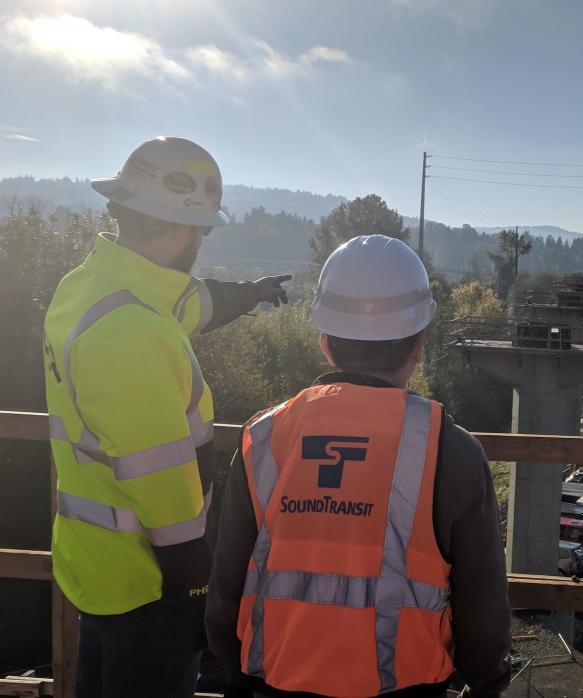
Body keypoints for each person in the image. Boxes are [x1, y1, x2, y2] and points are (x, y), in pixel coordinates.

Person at [206, 235, 511, 698]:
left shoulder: (263, 437)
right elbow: (483, 612)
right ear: (420, 344)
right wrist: (486, 679)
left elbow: (225, 590)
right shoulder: (450, 451)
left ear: (325, 342)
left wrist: (233, 670)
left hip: (272, 683)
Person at [43, 136, 291, 697]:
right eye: (203, 230)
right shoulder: (132, 333)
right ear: (185, 229)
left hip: (96, 565)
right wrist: (199, 597)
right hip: (149, 587)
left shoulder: (92, 286)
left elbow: (185, 304)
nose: (201, 241)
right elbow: (164, 491)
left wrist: (247, 295)